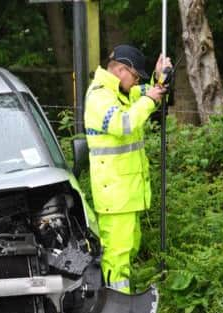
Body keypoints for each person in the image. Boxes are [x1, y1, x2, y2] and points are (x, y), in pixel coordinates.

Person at [84, 44, 172, 294]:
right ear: (122, 70)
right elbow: (124, 123)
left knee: (130, 246)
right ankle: (117, 308)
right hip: (114, 194)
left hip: (126, 193)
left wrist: (159, 78)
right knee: (117, 255)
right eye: (135, 76)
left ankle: (125, 302)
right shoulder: (101, 96)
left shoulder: (121, 92)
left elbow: (149, 94)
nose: (136, 83)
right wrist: (147, 99)